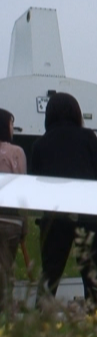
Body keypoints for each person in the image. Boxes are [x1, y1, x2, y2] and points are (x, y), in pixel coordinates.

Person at [30, 93, 97, 307]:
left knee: (50, 273)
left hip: (54, 215)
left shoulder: (40, 144)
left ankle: (41, 317)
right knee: (92, 273)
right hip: (87, 213)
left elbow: (35, 182)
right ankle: (96, 316)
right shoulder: (88, 138)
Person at [0, 108, 27, 311]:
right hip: (10, 220)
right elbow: (21, 188)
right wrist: (24, 224)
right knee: (6, 268)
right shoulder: (16, 152)